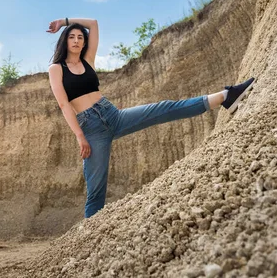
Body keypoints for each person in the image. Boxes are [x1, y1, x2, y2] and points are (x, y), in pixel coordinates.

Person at [47, 17, 255, 218]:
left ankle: (225, 97)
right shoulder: (56, 69)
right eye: (71, 37)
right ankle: (88, 240)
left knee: (163, 108)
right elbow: (64, 105)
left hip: (112, 114)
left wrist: (63, 21)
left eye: (80, 37)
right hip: (91, 130)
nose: (76, 41)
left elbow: (93, 23)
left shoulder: (88, 60)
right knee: (96, 190)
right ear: (65, 40)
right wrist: (79, 136)